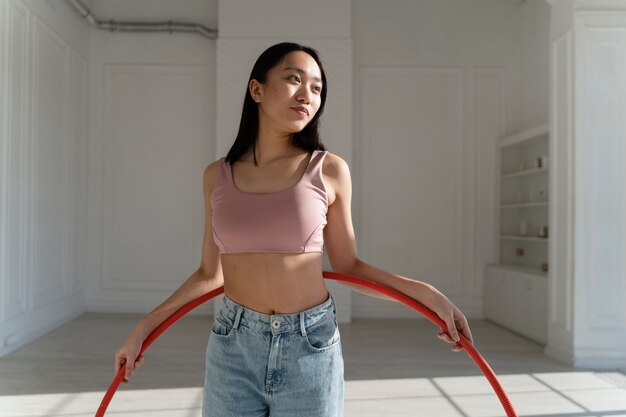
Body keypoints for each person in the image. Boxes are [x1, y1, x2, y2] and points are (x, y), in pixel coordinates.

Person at [114, 42, 474, 417]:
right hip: (232, 344)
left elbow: (349, 267)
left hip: (310, 345)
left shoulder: (329, 170)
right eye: (293, 80)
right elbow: (209, 274)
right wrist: (143, 329)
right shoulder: (215, 176)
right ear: (257, 90)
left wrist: (427, 295)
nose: (307, 94)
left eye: (317, 88)